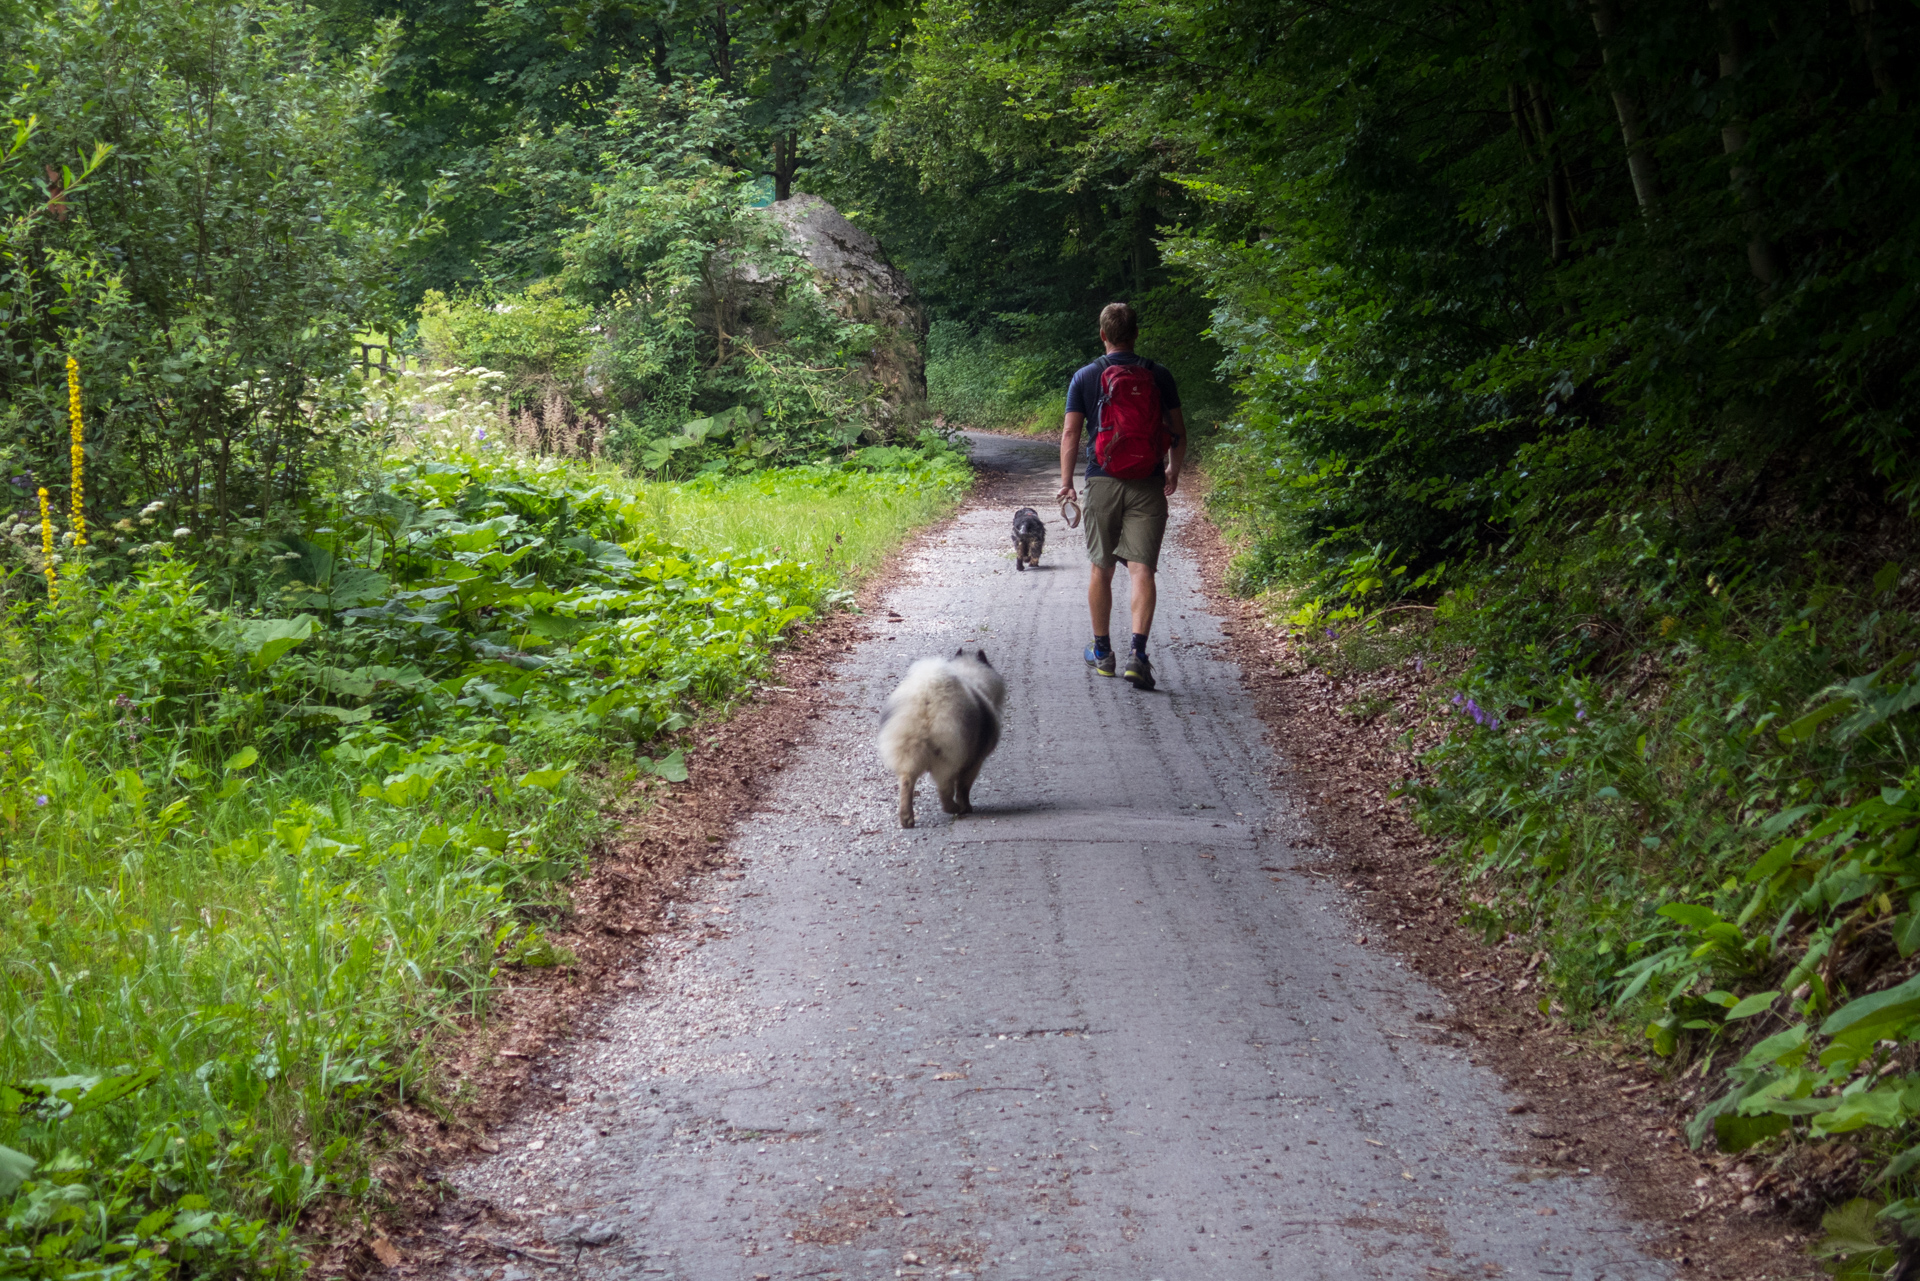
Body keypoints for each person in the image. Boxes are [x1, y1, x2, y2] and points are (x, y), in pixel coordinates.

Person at [1056, 301, 1186, 691]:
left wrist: (1067, 482)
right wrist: (1172, 470)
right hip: (1148, 482)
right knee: (1141, 568)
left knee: (1102, 567)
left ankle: (1103, 652)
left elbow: (1070, 434)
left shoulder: (1085, 377)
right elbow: (1178, 431)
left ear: (1103, 335)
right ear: (1136, 333)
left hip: (1103, 482)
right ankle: (1139, 655)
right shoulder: (1158, 375)